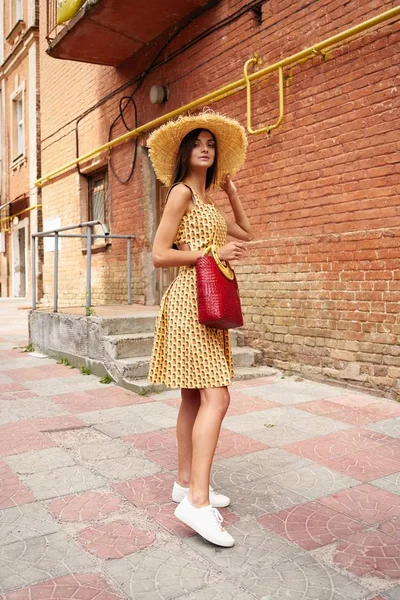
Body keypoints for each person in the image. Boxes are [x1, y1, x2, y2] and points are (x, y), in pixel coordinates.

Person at [147, 111, 253, 547]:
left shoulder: (207, 202)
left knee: (194, 395)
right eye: (198, 143)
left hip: (206, 299)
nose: (206, 148)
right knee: (217, 395)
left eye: (211, 143)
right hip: (190, 299)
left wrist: (231, 191)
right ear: (185, 152)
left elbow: (247, 231)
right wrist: (210, 255)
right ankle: (196, 502)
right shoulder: (180, 194)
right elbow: (158, 254)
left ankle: (184, 480)